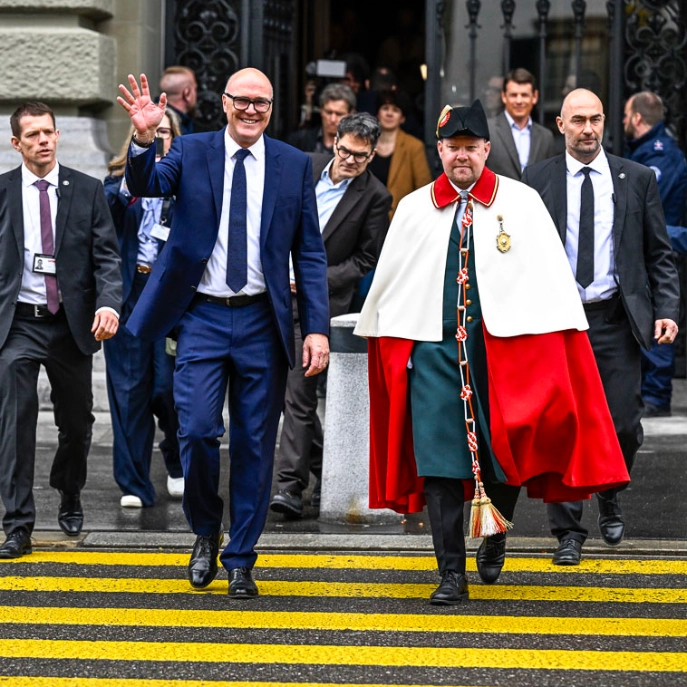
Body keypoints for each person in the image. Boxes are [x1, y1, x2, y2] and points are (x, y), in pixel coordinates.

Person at [354, 99, 629, 604]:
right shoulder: (414, 208)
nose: (462, 157)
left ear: (485, 149)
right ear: (439, 150)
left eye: (471, 148)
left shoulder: (521, 202)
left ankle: (493, 530)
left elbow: (549, 282)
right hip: (433, 352)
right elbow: (391, 284)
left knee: (505, 452)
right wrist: (399, 348)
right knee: (439, 462)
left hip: (503, 350)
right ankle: (450, 574)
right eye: (453, 148)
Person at [116, 69, 329, 598]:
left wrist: (316, 329)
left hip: (263, 320)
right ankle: (206, 529)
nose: (252, 110)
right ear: (225, 103)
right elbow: (146, 185)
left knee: (257, 444)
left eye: (262, 102)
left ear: (272, 107)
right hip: (203, 317)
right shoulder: (192, 151)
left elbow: (310, 252)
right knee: (197, 432)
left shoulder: (294, 164)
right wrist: (145, 137)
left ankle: (241, 558)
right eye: (243, 101)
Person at [521, 88, 679, 566]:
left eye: (594, 119)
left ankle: (609, 489)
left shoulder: (637, 177)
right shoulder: (537, 178)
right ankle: (568, 531)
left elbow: (659, 253)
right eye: (577, 120)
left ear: (605, 121)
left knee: (624, 425)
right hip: (559, 322)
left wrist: (667, 309)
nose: (587, 129)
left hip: (614, 319)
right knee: (564, 426)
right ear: (561, 124)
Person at [0, 102, 121, 559]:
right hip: (18, 325)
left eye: (48, 132)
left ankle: (69, 489)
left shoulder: (87, 190)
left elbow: (107, 257)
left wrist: (109, 304)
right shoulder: (4, 191)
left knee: (77, 423)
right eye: (32, 135)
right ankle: (18, 525)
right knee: (15, 421)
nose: (44, 140)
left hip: (69, 325)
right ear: (17, 143)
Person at [270, 113, 392, 518]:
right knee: (285, 398)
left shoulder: (376, 195)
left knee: (300, 395)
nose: (349, 160)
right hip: (269, 296)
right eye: (344, 150)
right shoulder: (302, 166)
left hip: (317, 305)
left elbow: (364, 260)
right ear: (334, 141)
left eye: (359, 156)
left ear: (372, 155)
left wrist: (311, 278)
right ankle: (324, 467)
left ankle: (289, 486)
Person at [103, 110, 184, 508]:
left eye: (164, 132)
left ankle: (175, 459)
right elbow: (106, 217)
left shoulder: (186, 183)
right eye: (150, 132)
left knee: (167, 388)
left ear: (174, 138)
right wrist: (132, 182)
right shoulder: (117, 184)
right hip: (128, 291)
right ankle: (134, 483)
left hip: (169, 295)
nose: (157, 136)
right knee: (129, 390)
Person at [624, 91, 687, 417]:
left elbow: (650, 214)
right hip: (652, 250)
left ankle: (657, 397)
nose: (622, 122)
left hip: (660, 251)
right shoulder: (648, 152)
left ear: (637, 118)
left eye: (625, 116)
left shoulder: (659, 158)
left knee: (657, 321)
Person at [370, 89, 432, 219]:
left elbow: (424, 190)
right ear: (377, 113)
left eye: (395, 110)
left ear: (402, 118)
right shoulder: (366, 143)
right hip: (366, 217)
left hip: (399, 220)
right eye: (385, 108)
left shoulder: (414, 146)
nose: (389, 114)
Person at [486, 68, 555, 180]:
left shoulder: (546, 137)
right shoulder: (488, 131)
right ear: (504, 96)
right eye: (513, 95)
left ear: (535, 97)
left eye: (524, 95)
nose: (519, 101)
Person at [287, 83, 356, 155]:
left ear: (351, 114)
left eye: (339, 114)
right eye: (328, 112)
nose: (333, 119)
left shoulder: (357, 146)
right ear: (321, 110)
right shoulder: (300, 140)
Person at [159, 66, 198, 135]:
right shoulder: (180, 130)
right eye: (195, 89)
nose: (196, 94)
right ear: (187, 94)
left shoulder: (155, 121)